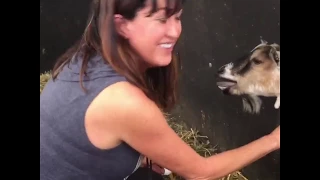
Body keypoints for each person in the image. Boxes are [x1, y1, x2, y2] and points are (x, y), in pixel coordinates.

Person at [40, 0, 280, 179]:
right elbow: (200, 172)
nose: (175, 31)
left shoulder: (88, 56)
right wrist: (272, 140)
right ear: (121, 25)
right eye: (161, 20)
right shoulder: (123, 101)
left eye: (178, 17)